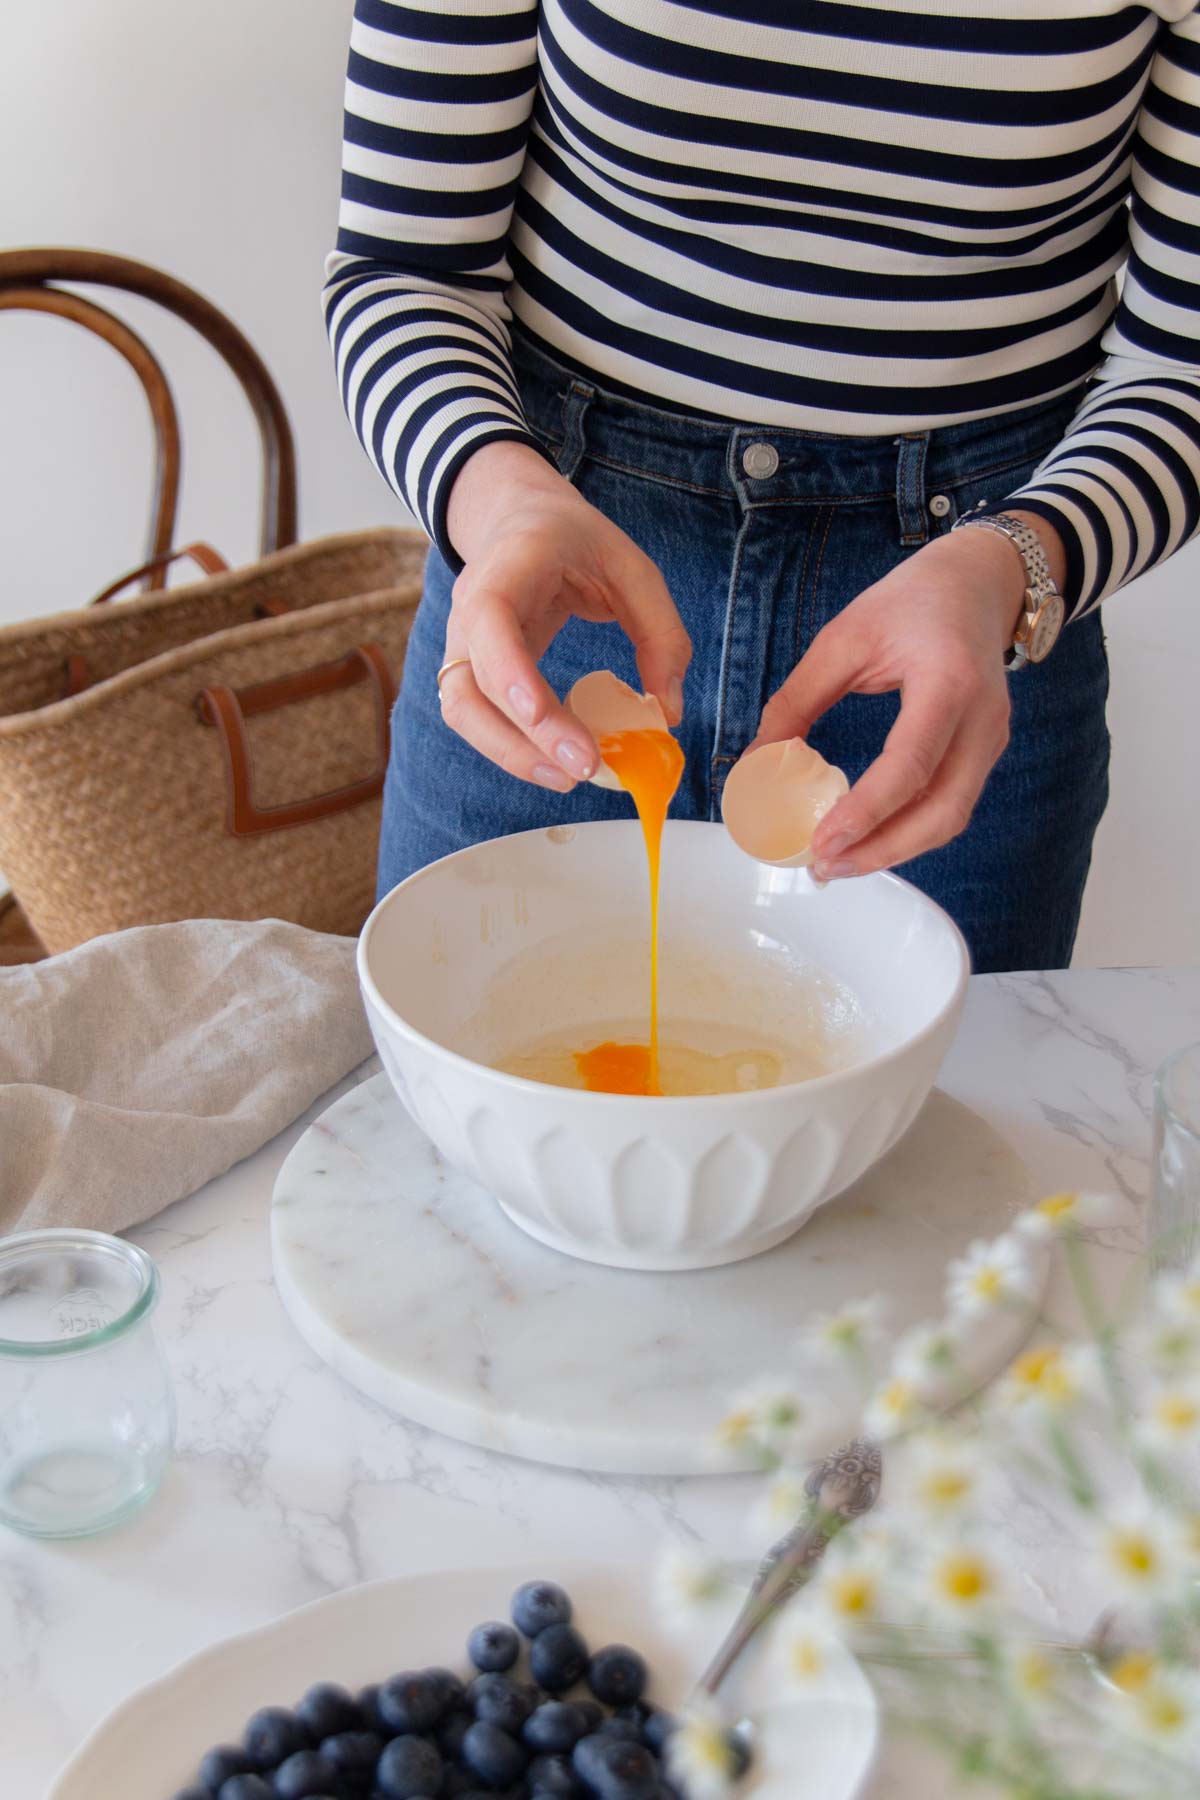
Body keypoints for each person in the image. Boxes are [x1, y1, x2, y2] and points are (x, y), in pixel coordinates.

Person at [325, 0, 1200, 973]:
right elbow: (403, 268)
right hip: (559, 587)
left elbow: (1185, 362)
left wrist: (1019, 563)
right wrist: (503, 504)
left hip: (964, 631)